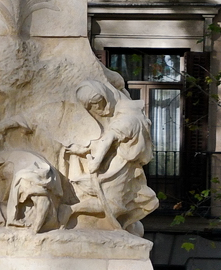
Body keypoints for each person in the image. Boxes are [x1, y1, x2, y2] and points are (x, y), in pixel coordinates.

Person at [65, 79, 158, 233]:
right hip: (123, 166)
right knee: (121, 200)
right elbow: (107, 142)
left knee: (116, 203)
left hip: (121, 167)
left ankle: (72, 210)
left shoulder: (126, 119)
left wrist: (96, 162)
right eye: (90, 107)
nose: (94, 109)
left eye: (95, 104)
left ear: (103, 98)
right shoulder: (127, 113)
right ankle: (73, 210)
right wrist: (84, 150)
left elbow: (108, 139)